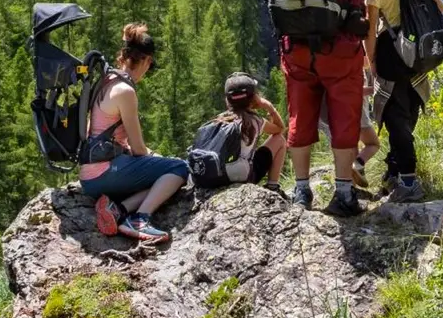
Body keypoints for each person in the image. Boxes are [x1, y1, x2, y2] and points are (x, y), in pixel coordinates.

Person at [280, 0, 436, 216]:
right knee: (345, 117)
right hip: (338, 46)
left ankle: (302, 191)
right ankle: (344, 194)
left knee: (299, 117)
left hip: (296, 47)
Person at [79, 23, 189, 244]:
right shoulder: (126, 92)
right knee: (178, 169)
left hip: (90, 173)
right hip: (105, 174)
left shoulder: (107, 79)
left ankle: (117, 209)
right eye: (150, 65)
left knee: (160, 181)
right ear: (147, 61)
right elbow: (138, 149)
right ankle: (139, 219)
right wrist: (155, 158)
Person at [364, 0, 442, 203]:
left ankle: (408, 181)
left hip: (392, 56)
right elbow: (441, 9)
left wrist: (369, 65)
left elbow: (370, 31)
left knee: (394, 118)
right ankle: (394, 173)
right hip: (419, 55)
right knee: (409, 114)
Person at [212, 72, 288, 189]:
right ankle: (273, 185)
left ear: (227, 100)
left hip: (217, 176)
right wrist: (269, 107)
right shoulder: (255, 120)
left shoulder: (219, 119)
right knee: (280, 140)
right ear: (254, 98)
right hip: (242, 177)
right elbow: (280, 129)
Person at [318, 91, 380, 189]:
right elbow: (361, 89)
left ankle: (349, 188)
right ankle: (357, 164)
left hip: (327, 110)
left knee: (346, 149)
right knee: (373, 144)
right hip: (354, 107)